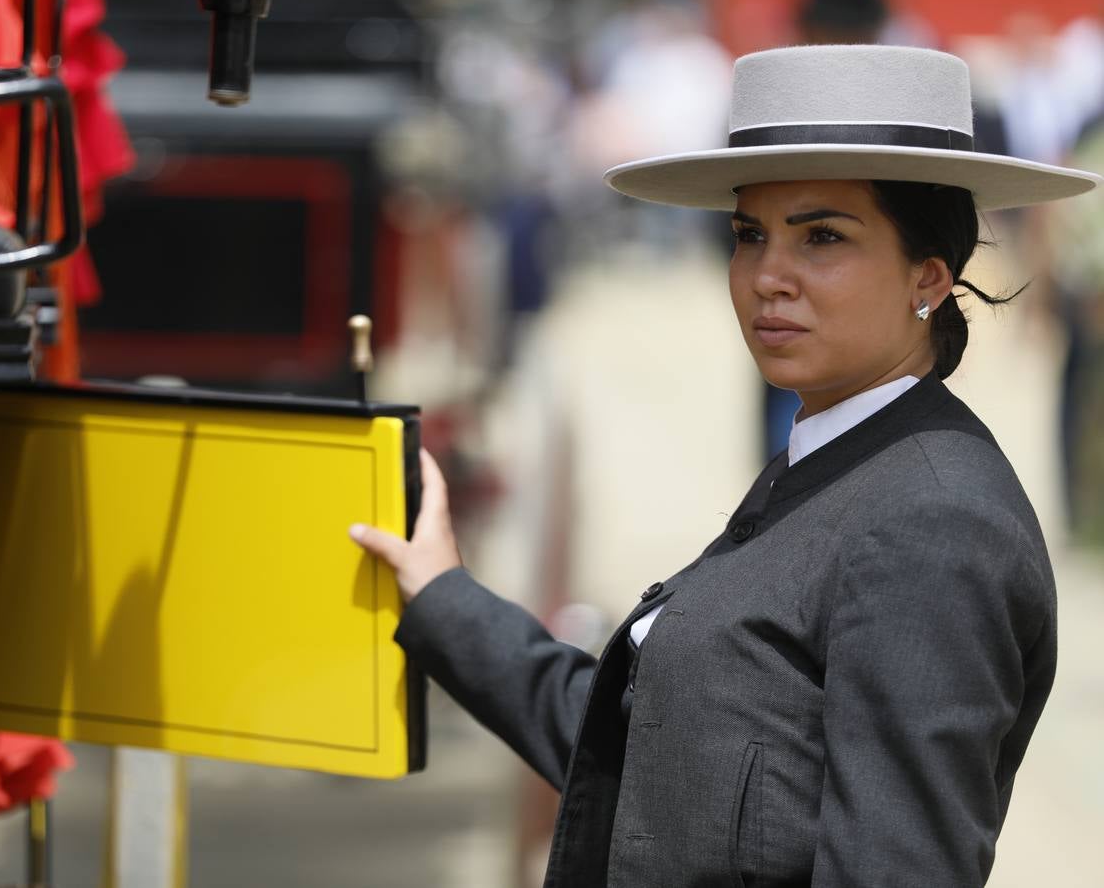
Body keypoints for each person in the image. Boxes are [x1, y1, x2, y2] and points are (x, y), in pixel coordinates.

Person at [350, 45, 1099, 886]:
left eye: (822, 236)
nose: (768, 276)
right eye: (750, 235)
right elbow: (655, 767)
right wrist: (445, 596)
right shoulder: (835, 460)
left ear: (928, 277)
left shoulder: (931, 521)